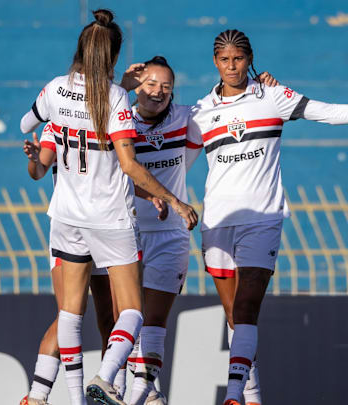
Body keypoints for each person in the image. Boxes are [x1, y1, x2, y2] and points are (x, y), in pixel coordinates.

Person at [186, 29, 348, 405]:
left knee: (248, 306)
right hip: (217, 221)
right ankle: (252, 396)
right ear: (215, 63)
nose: (232, 66)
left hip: (263, 218)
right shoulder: (201, 112)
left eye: (238, 59)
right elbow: (175, 160)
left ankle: (233, 393)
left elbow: (326, 112)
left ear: (250, 58)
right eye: (224, 60)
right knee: (235, 315)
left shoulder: (273, 96)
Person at [20, 9, 198, 405]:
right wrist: (172, 198)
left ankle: (68, 397)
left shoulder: (55, 93)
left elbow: (26, 127)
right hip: (110, 220)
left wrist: (37, 149)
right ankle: (103, 378)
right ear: (115, 57)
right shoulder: (117, 99)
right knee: (130, 311)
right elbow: (128, 164)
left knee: (72, 314)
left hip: (66, 218)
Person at [117, 57, 278, 405]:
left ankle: (141, 395)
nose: (158, 92)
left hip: (170, 232)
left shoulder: (188, 116)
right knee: (125, 319)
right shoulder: (121, 120)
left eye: (166, 87)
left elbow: (230, 104)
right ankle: (141, 393)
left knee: (156, 319)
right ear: (137, 87)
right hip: (124, 229)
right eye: (150, 85)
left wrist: (257, 88)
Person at [20, 123, 120, 405]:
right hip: (69, 230)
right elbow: (39, 172)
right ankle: (37, 396)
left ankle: (110, 388)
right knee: (68, 313)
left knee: (111, 318)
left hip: (108, 227)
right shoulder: (59, 122)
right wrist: (33, 159)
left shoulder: (114, 116)